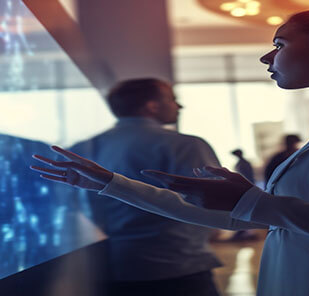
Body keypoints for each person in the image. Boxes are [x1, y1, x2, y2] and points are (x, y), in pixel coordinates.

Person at [35, 3, 309, 295]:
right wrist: (110, 184)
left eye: (279, 45)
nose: (267, 58)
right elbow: (234, 214)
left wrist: (255, 202)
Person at [63, 78, 223, 296]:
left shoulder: (81, 149)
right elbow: (215, 204)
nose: (179, 106)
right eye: (173, 99)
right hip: (178, 264)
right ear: (152, 105)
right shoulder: (185, 145)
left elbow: (72, 207)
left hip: (114, 268)